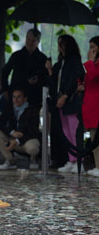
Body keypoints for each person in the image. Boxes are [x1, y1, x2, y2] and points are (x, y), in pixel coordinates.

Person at [45, 34, 85, 173]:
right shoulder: (60, 63)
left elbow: (77, 79)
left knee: (74, 131)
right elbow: (54, 82)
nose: (60, 47)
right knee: (66, 131)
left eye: (62, 44)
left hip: (70, 102)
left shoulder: (74, 61)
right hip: (61, 102)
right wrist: (50, 70)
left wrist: (66, 95)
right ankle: (71, 159)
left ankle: (79, 160)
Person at [0, 88, 41, 170]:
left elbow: (35, 131)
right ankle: (10, 160)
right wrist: (11, 132)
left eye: (19, 97)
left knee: (32, 147)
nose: (16, 100)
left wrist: (18, 140)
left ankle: (33, 159)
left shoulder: (32, 110)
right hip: (12, 140)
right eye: (14, 97)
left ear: (25, 99)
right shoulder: (10, 108)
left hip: (27, 139)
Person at [1, 28, 47, 109]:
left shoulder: (43, 59)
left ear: (38, 42)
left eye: (33, 40)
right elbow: (5, 72)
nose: (30, 43)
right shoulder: (16, 56)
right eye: (28, 39)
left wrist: (38, 79)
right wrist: (5, 90)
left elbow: (46, 77)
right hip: (16, 95)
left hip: (34, 96)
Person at [78, 36, 99, 177]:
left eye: (93, 47)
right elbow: (89, 80)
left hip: (96, 106)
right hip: (91, 106)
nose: (91, 50)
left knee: (97, 139)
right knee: (93, 139)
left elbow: (93, 76)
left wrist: (90, 62)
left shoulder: (95, 63)